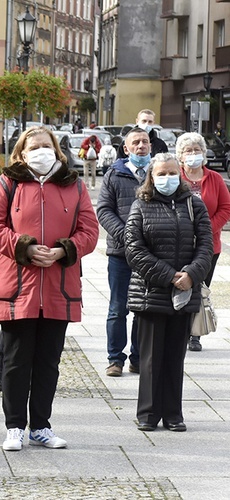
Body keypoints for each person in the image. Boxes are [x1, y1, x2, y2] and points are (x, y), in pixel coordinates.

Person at [0, 127, 98, 451]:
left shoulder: (74, 184)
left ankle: (41, 426)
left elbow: (89, 229)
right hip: (18, 285)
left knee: (49, 362)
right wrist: (25, 248)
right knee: (17, 361)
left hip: (59, 285)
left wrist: (64, 249)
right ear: (21, 153)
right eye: (34, 146)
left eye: (46, 145)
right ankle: (15, 426)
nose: (41, 151)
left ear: (57, 151)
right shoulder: (8, 182)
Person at [125, 153, 213, 432]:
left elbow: (206, 245)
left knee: (175, 356)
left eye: (172, 173)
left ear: (180, 174)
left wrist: (191, 274)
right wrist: (169, 275)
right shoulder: (141, 205)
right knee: (150, 358)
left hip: (185, 293)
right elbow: (133, 250)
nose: (167, 178)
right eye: (161, 174)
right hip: (151, 292)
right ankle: (148, 413)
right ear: (152, 176)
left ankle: (173, 413)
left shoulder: (194, 205)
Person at [97, 127, 151, 377]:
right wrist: (128, 237)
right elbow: (104, 211)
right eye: (136, 142)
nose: (141, 146)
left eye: (145, 142)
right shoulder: (114, 174)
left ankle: (138, 358)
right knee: (118, 308)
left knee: (144, 307)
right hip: (121, 254)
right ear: (126, 148)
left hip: (151, 256)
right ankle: (115, 358)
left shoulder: (158, 171)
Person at [176, 133, 230, 352]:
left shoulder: (215, 179)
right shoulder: (175, 177)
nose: (193, 154)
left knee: (200, 287)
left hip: (208, 246)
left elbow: (225, 208)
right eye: (188, 151)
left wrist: (207, 230)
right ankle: (177, 329)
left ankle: (194, 333)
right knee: (179, 285)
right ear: (180, 156)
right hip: (179, 243)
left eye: (196, 150)